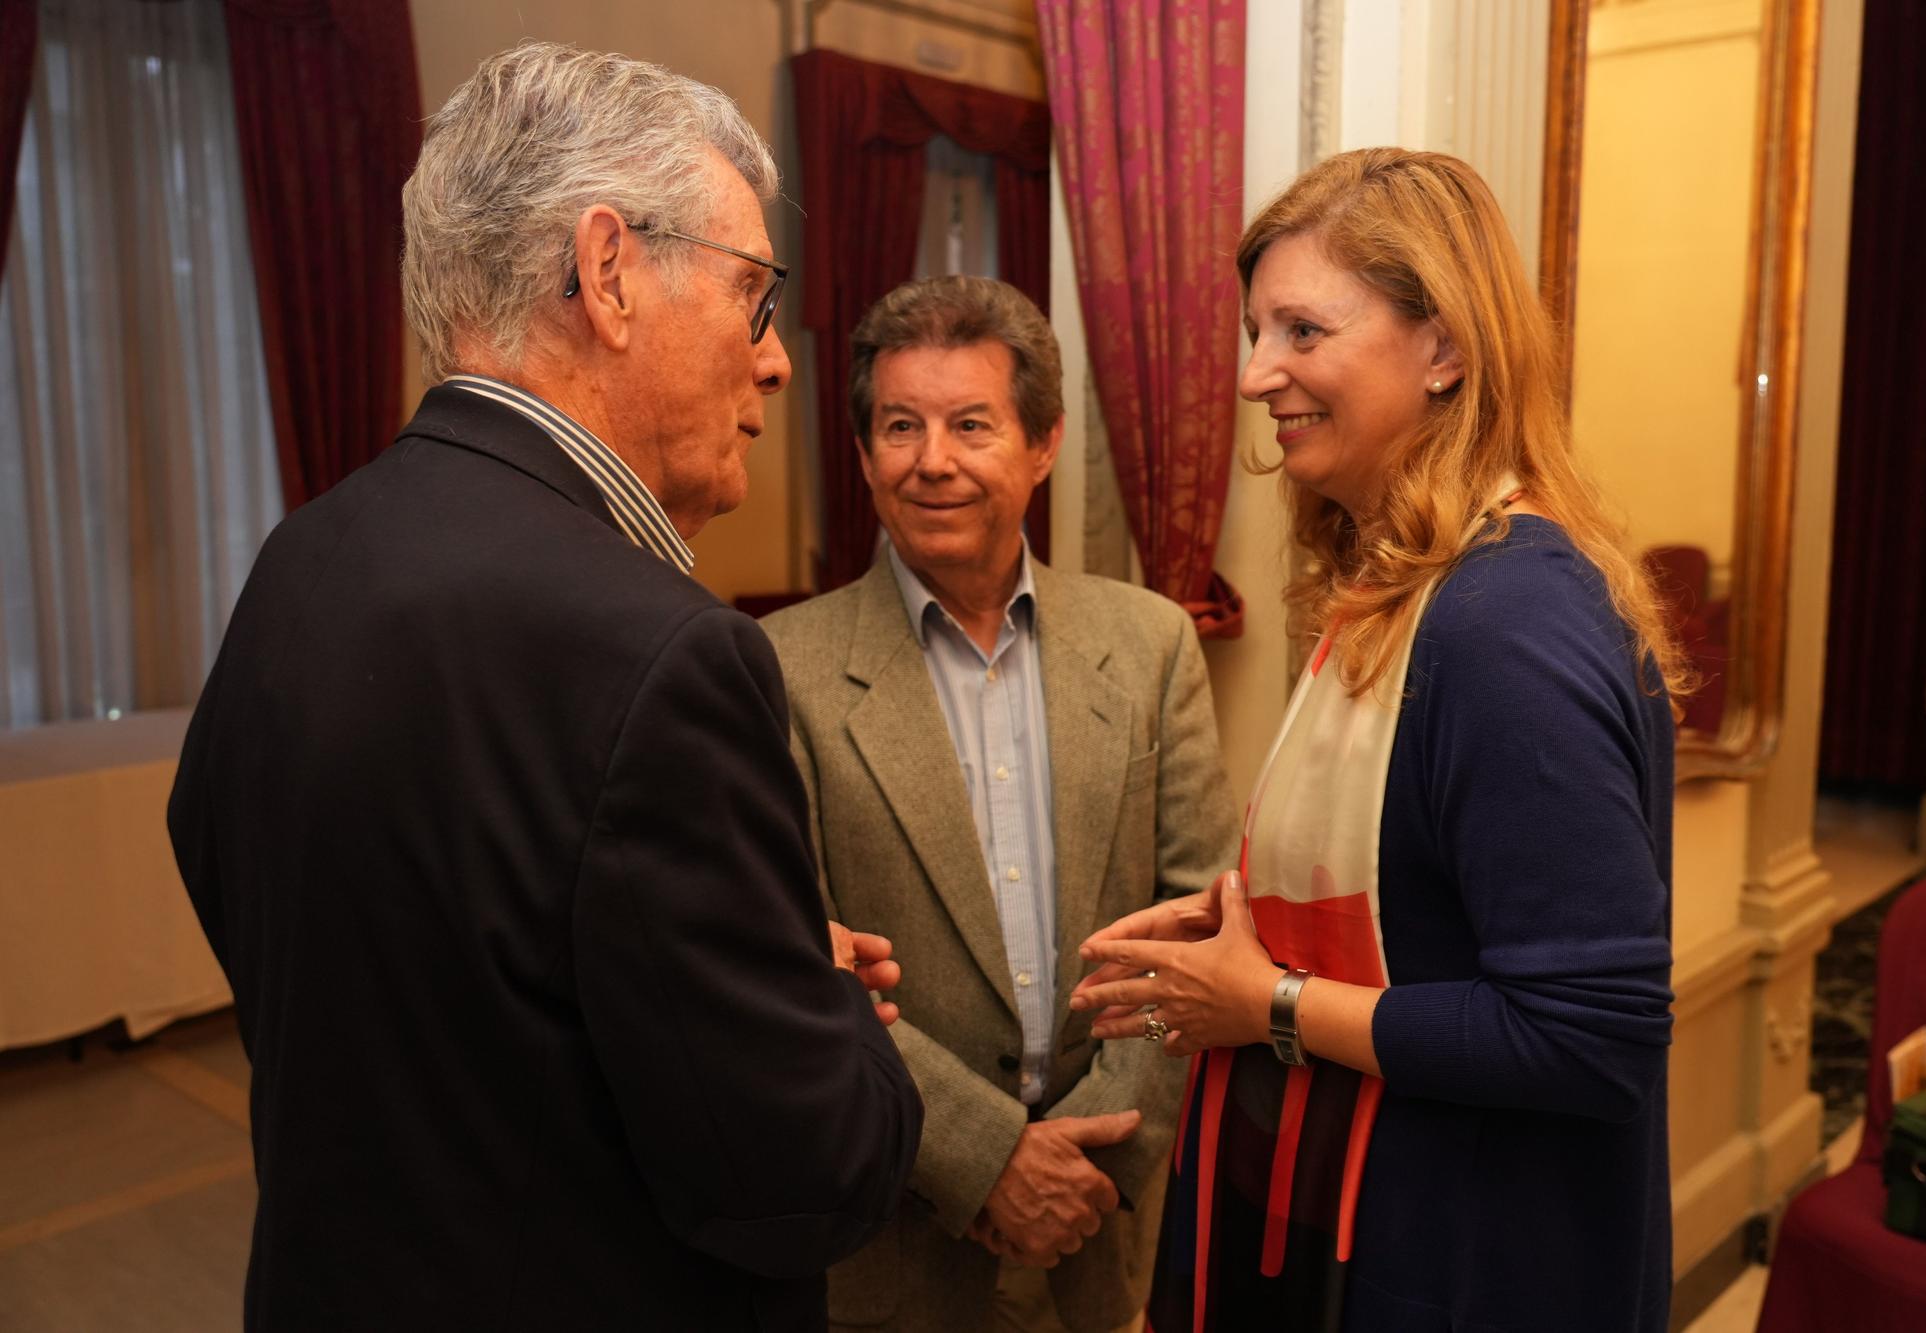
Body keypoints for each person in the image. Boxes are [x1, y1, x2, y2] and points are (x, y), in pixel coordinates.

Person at [167, 42, 920, 1331]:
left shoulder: (306, 554)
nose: (778, 359)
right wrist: (831, 1012)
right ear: (608, 270)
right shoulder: (662, 651)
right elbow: (802, 1175)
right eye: (752, 295)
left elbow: (332, 932)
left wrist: (724, 967)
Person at [1071, 148, 1688, 1333]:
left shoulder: (1504, 620)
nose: (1257, 375)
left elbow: (1589, 1035)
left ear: (1444, 347)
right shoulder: (1403, 585)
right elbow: (1430, 909)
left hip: (1467, 1266)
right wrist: (1239, 932)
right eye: (1256, 332)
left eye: (1302, 331)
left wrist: (1271, 1002)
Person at [760, 276, 1238, 1333]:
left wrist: (1092, 1165)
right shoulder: (775, 669)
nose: (932, 459)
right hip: (894, 1242)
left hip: (1099, 1232)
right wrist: (985, 1163)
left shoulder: (1150, 646)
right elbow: (795, 967)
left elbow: (1199, 927)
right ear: (862, 453)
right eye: (899, 426)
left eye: (970, 424)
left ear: (1042, 444)